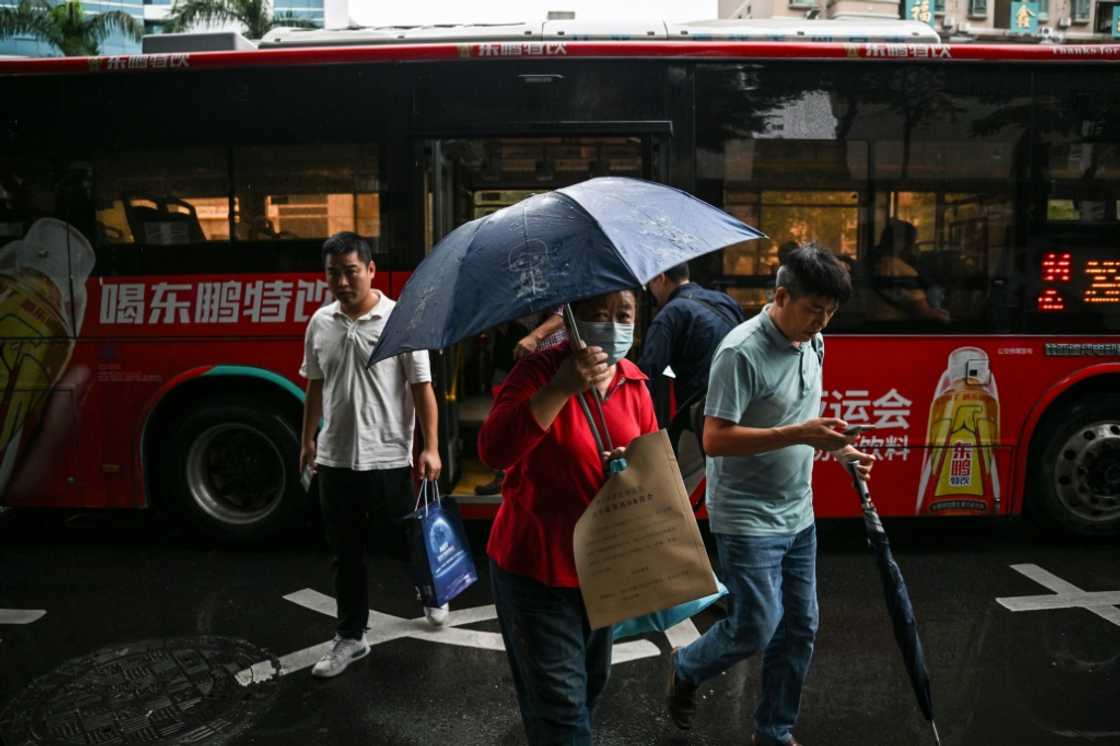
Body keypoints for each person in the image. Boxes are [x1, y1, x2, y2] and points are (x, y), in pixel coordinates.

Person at [665, 245, 875, 746]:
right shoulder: (740, 352)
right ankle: (688, 665)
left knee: (800, 627)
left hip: (798, 513)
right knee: (755, 627)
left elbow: (801, 418)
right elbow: (715, 439)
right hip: (746, 518)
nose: (821, 323)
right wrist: (800, 434)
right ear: (781, 296)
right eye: (814, 310)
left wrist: (841, 450)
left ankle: (774, 731)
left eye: (830, 312)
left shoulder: (813, 342)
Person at [479, 289, 658, 745]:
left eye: (624, 315)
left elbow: (653, 463)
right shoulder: (538, 372)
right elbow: (494, 450)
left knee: (589, 686)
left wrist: (632, 465)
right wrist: (560, 388)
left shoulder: (634, 382)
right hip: (538, 568)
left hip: (602, 572)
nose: (613, 325)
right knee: (560, 709)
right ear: (572, 318)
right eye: (599, 314)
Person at [299, 231, 443, 679]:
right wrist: (307, 440)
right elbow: (315, 384)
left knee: (405, 539)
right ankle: (351, 637)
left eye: (351, 272)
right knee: (346, 553)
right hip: (336, 458)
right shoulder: (320, 322)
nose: (342, 282)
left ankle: (432, 590)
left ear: (371, 270)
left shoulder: (400, 322)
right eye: (333, 274)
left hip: (388, 457)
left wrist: (431, 447)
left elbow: (422, 389)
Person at [475, 308, 569, 496]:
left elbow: (564, 312)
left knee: (536, 419)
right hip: (512, 342)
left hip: (543, 352)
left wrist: (535, 336)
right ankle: (504, 474)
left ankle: (527, 476)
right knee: (503, 410)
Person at [638, 261, 745, 408]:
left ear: (661, 278)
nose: (651, 291)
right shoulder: (726, 301)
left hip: (700, 411)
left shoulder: (669, 315)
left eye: (649, 283)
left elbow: (650, 371)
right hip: (740, 401)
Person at [866, 219, 950, 323]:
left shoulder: (874, 263)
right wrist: (944, 317)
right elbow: (923, 313)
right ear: (901, 244)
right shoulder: (903, 271)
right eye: (912, 243)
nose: (914, 248)